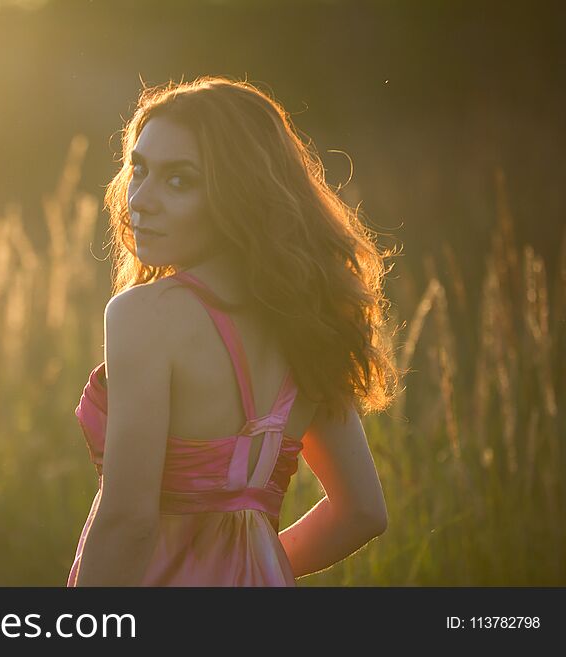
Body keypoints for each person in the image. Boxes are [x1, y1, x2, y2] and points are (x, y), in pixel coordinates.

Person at [66, 75, 401, 587]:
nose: (141, 199)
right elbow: (362, 513)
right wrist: (251, 567)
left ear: (239, 192)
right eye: (139, 170)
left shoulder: (142, 314)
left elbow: (128, 522)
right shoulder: (309, 322)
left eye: (179, 180)